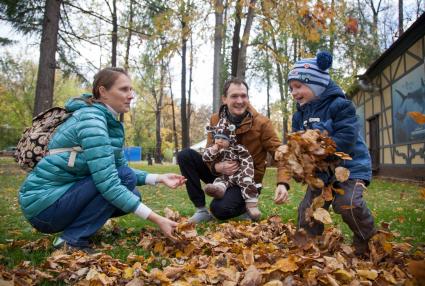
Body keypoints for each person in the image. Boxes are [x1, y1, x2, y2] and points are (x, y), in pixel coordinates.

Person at [18, 67, 186, 253]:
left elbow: (120, 169)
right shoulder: (92, 121)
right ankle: (71, 240)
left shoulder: (106, 120)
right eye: (124, 89)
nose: (131, 95)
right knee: (123, 180)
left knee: (133, 193)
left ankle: (76, 231)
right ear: (103, 92)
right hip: (44, 208)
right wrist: (157, 219)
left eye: (131, 90)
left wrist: (158, 178)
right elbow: (112, 181)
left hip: (56, 201)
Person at [275, 51, 376, 256]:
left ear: (316, 84)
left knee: (348, 203)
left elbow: (347, 137)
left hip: (351, 168)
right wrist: (296, 167)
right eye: (291, 88)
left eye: (299, 86)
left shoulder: (341, 105)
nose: (294, 92)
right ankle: (307, 243)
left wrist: (316, 150)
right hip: (321, 173)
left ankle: (368, 240)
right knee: (309, 209)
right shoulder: (299, 115)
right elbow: (296, 145)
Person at [177, 77, 289, 223]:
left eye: (243, 96)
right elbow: (210, 151)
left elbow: (280, 154)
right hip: (221, 175)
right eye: (234, 96)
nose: (240, 101)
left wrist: (282, 183)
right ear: (224, 99)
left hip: (246, 180)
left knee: (219, 210)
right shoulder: (215, 119)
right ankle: (201, 210)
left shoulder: (262, 123)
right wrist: (216, 166)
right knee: (185, 155)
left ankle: (245, 206)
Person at [202, 118, 260, 220]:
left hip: (239, 175)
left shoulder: (238, 148)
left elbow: (247, 160)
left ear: (231, 139)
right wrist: (214, 150)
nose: (220, 141)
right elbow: (205, 158)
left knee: (247, 183)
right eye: (218, 137)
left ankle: (251, 206)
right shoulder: (217, 150)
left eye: (224, 138)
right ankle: (218, 190)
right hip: (225, 177)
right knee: (220, 181)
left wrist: (247, 175)